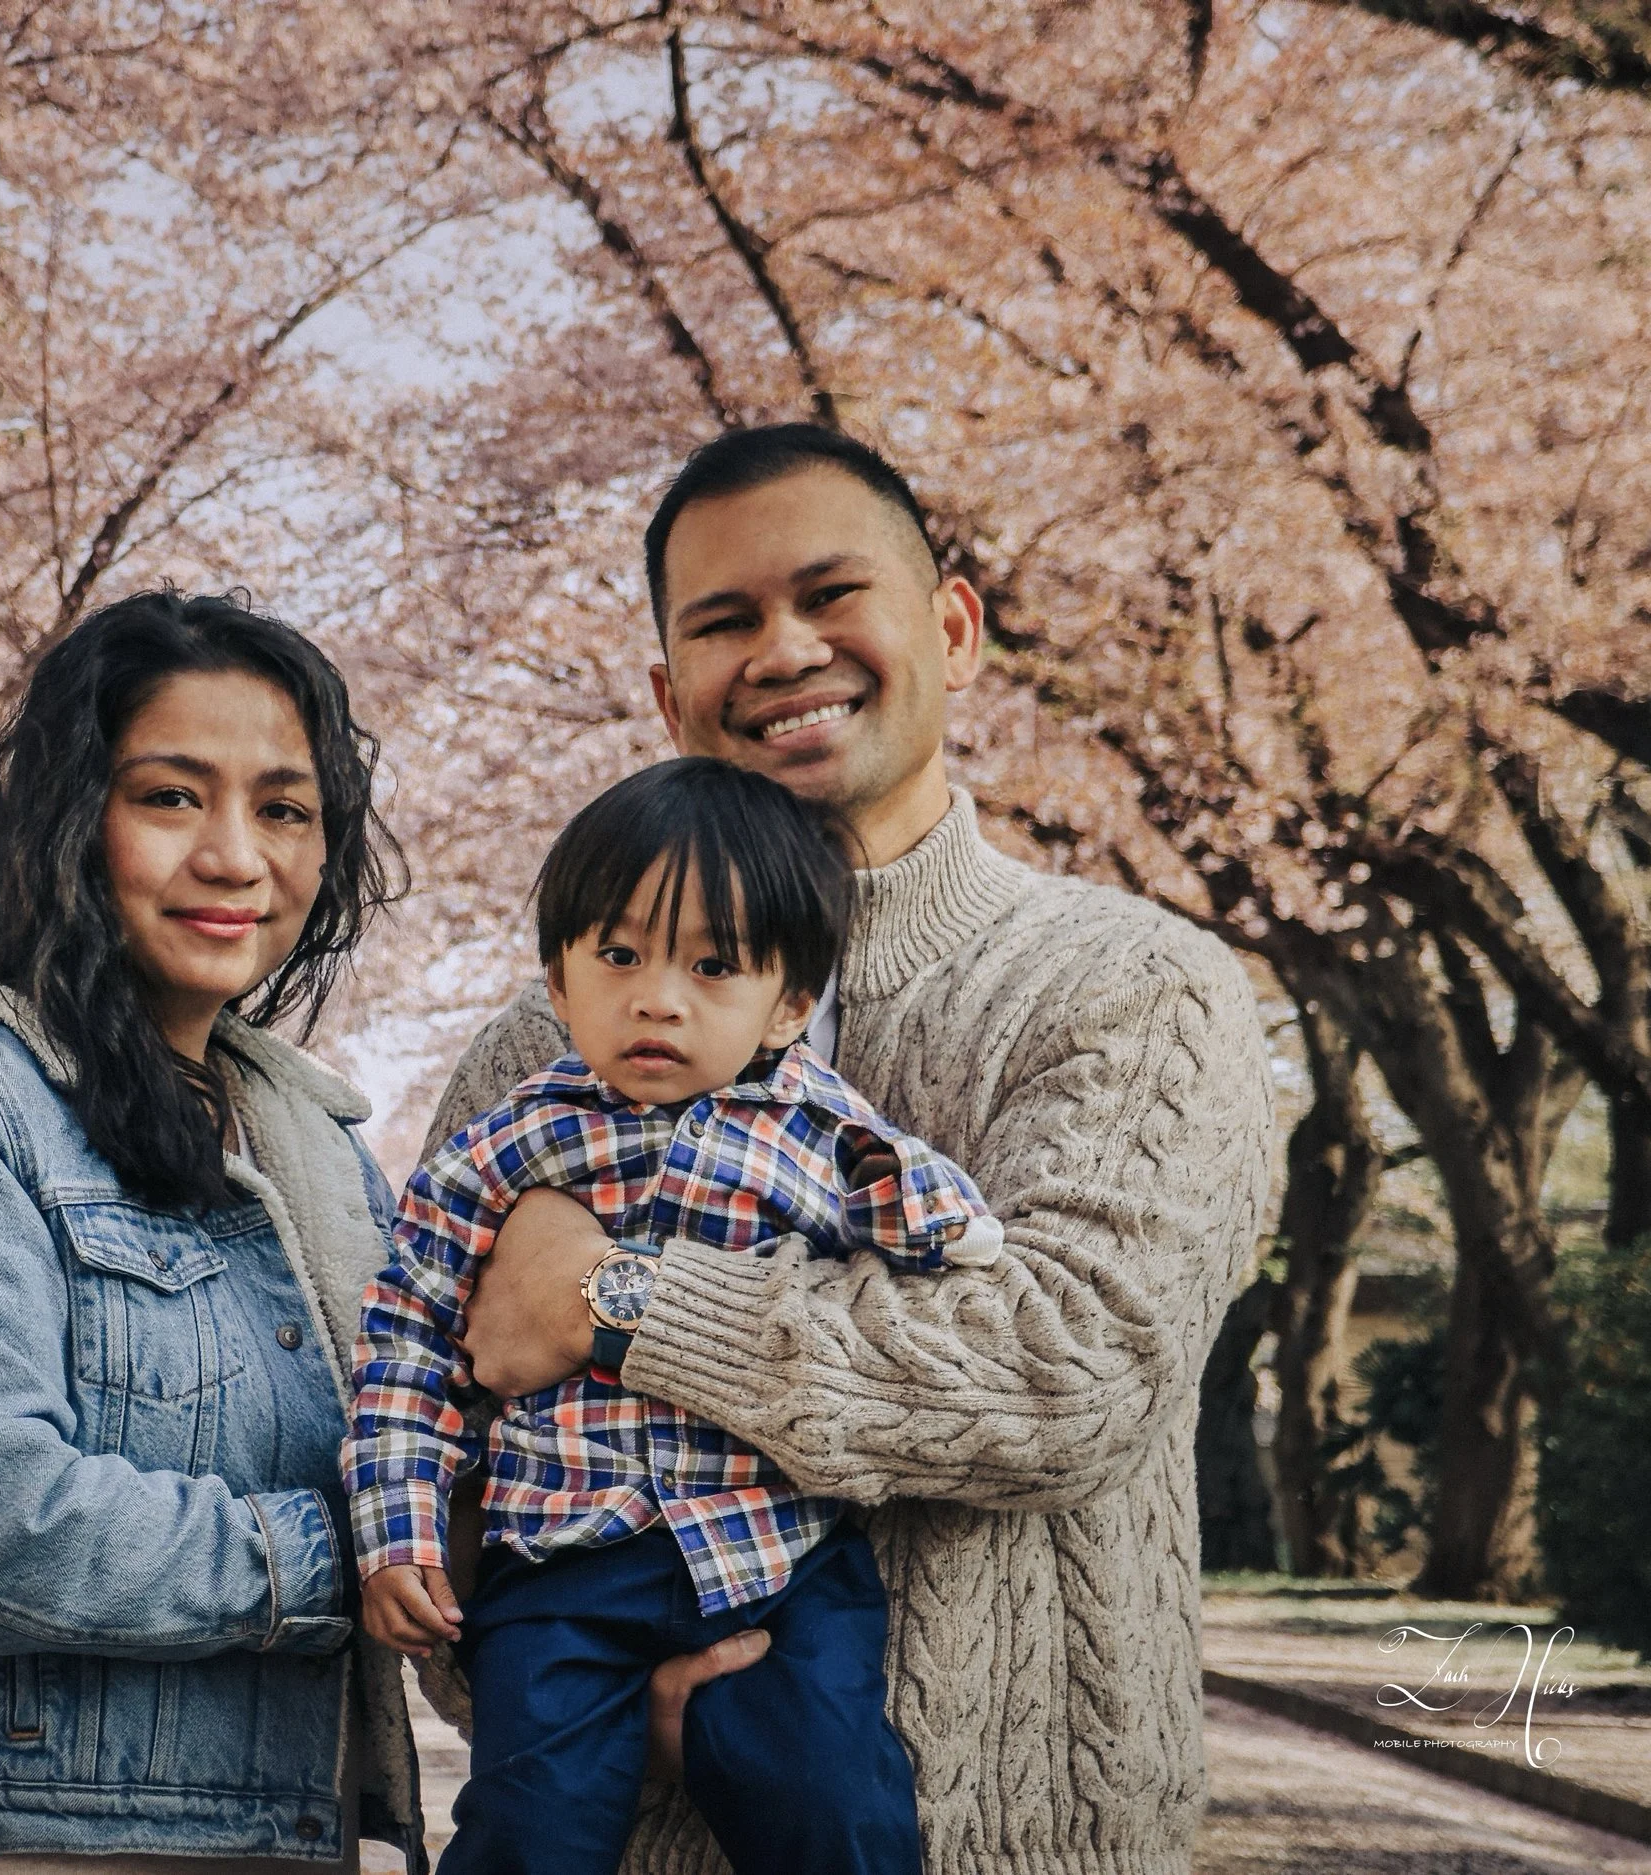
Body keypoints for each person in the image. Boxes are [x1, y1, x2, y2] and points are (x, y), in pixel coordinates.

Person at [425, 425, 1278, 1875]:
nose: (783, 647)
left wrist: (618, 1302)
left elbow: (1073, 1364)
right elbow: (435, 1458)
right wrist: (626, 1713)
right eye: (725, 621)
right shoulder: (538, 1047)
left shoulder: (1134, 986)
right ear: (667, 690)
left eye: (832, 593)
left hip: (1030, 1842)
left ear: (950, 625)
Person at [0, 591, 426, 1874]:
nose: (236, 857)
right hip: (29, 1844)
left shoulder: (314, 1144)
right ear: (72, 820)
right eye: (172, 797)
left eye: (285, 809)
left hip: (288, 1837)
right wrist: (359, 1547)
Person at [349, 758, 1004, 1875]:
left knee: (840, 1811)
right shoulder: (504, 1147)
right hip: (560, 1559)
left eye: (714, 966)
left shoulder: (812, 1127)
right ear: (559, 982)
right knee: (528, 1828)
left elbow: (946, 1237)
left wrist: (934, 1222)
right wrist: (398, 1527)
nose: (658, 997)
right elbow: (407, 1338)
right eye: (618, 956)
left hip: (776, 1559)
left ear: (788, 1004)